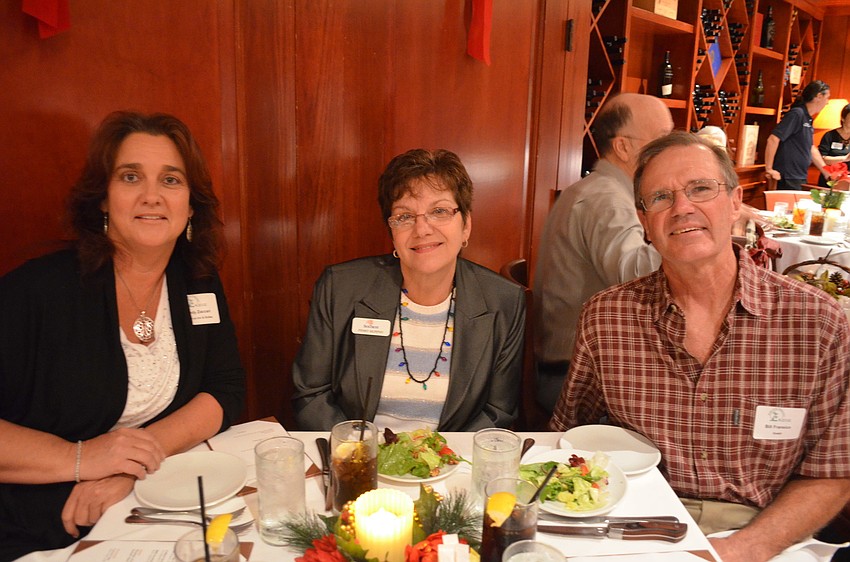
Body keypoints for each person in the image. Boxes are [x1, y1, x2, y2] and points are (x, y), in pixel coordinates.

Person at [550, 131, 850, 562]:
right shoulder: (607, 317)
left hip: (764, 534)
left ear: (735, 201)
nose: (682, 208)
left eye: (700, 189)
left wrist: (743, 549)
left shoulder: (817, 323)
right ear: (643, 221)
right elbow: (568, 435)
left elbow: (834, 470)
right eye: (661, 197)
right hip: (633, 525)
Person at [0, 111, 246, 559]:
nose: (152, 196)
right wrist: (81, 459)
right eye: (131, 177)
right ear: (103, 199)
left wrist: (132, 465)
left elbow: (223, 389)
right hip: (42, 521)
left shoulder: (197, 281)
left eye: (171, 180)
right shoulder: (36, 291)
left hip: (149, 503)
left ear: (191, 206)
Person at [292, 148, 525, 432]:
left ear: (466, 225)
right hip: (359, 455)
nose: (422, 229)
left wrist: (438, 454)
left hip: (453, 457)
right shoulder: (339, 287)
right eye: (404, 216)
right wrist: (362, 451)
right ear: (391, 231)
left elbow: (499, 412)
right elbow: (311, 395)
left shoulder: (504, 301)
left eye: (439, 211)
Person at [533, 93, 671, 413]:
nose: (670, 150)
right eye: (663, 139)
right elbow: (636, 276)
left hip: (574, 365)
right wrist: (687, 238)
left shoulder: (598, 189)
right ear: (623, 147)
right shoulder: (605, 199)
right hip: (576, 380)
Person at [764, 80, 833, 190]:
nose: (827, 102)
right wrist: (769, 168)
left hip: (800, 176)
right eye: (827, 98)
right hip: (788, 176)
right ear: (819, 96)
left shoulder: (808, 118)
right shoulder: (797, 114)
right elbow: (773, 139)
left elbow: (811, 148)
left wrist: (826, 172)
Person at [816, 102, 850, 187]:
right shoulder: (830, 135)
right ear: (843, 118)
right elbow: (822, 159)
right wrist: (844, 158)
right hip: (829, 178)